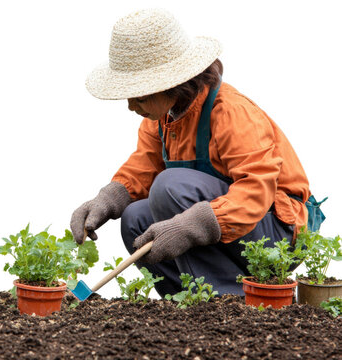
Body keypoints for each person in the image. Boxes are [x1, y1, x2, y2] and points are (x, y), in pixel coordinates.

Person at [70, 9, 314, 296]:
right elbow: (144, 166)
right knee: (135, 219)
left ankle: (229, 300)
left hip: (277, 232)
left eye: (140, 96)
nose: (131, 106)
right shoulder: (160, 118)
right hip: (234, 231)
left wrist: (193, 225)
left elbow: (256, 189)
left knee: (169, 187)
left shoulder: (231, 112)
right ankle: (186, 302)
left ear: (172, 84)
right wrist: (108, 199)